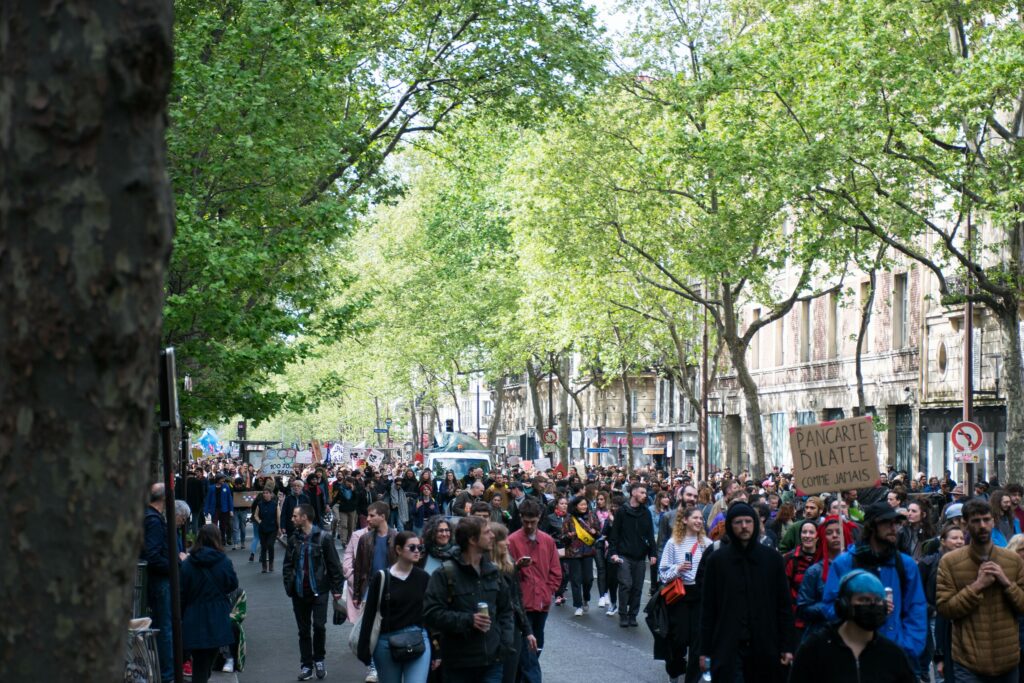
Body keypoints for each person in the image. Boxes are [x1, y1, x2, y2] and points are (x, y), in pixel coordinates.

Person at [820, 501, 928, 668]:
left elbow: (916, 608)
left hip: (895, 654)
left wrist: (908, 647)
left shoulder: (905, 565)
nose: (894, 528)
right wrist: (859, 608)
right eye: (887, 523)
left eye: (896, 523)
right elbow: (829, 607)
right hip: (854, 655)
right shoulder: (844, 563)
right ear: (871, 527)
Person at [699, 502, 795, 683]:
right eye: (738, 522)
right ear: (729, 525)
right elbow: (708, 609)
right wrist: (704, 651)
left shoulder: (772, 559)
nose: (744, 526)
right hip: (728, 646)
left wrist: (787, 646)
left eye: (748, 521)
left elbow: (783, 606)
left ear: (756, 524)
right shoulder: (717, 561)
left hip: (765, 645)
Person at [937, 498, 1024, 683]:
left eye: (986, 519)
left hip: (1007, 661)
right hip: (969, 663)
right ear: (965, 524)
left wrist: (1006, 582)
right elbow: (945, 608)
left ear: (993, 521)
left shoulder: (1012, 560)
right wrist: (977, 586)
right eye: (976, 521)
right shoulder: (950, 562)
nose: (982, 526)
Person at [422, 516, 514, 683]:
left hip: (492, 662)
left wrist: (504, 643)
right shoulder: (445, 574)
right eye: (487, 533)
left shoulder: (493, 572)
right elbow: (431, 613)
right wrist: (468, 620)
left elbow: (506, 610)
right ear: (472, 539)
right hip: (459, 664)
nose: (492, 536)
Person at [790, 569, 915, 683]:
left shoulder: (893, 655)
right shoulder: (814, 649)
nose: (872, 605)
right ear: (844, 604)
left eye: (878, 600)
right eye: (864, 600)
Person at [357, 531, 431, 683]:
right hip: (386, 642)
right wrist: (364, 649)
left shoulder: (423, 577)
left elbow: (430, 613)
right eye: (412, 547)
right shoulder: (382, 577)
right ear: (398, 549)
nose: (417, 551)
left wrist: (436, 650)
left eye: (420, 548)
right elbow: (370, 614)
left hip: (417, 637)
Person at [282, 503, 344, 681]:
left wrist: (337, 590)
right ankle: (306, 665)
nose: (292, 519)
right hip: (299, 592)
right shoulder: (294, 539)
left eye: (295, 516)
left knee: (319, 626)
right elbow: (287, 565)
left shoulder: (323, 538)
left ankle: (319, 660)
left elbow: (334, 565)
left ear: (305, 517)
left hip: (320, 590)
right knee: (303, 631)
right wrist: (289, 586)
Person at [508, 498, 562, 682]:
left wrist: (548, 592)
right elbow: (505, 573)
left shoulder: (547, 541)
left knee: (535, 649)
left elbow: (556, 571)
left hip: (542, 604)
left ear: (539, 518)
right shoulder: (512, 540)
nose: (529, 526)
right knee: (529, 654)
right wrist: (516, 566)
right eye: (525, 522)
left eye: (533, 522)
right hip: (521, 605)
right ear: (521, 518)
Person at [180, 524, 239, 683]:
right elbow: (233, 584)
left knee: (199, 661)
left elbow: (181, 592)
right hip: (217, 615)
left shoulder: (188, 564)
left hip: (194, 616)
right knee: (209, 659)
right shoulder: (223, 561)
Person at [657, 506, 710, 683]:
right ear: (685, 520)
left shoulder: (707, 544)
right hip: (679, 596)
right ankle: (675, 670)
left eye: (701, 518)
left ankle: (692, 678)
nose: (698, 521)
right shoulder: (673, 543)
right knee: (679, 639)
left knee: (697, 641)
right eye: (695, 518)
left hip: (700, 595)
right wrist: (678, 568)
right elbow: (662, 572)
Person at [141, 483, 181, 683]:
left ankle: (166, 673)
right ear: (165, 500)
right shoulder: (154, 521)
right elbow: (153, 556)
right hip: (161, 581)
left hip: (158, 580)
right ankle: (168, 675)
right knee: (165, 628)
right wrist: (176, 563)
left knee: (163, 627)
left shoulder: (150, 518)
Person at [491, 523, 539, 683]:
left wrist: (527, 630)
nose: (508, 542)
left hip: (512, 630)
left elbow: (517, 599)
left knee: (509, 676)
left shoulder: (509, 565)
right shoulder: (484, 569)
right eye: (503, 539)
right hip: (491, 632)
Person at [919, 523, 965, 683]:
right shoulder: (927, 563)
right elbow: (918, 593)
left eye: (961, 538)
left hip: (959, 614)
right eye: (954, 538)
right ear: (943, 541)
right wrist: (931, 610)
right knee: (941, 659)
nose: (959, 541)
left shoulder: (968, 563)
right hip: (935, 616)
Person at [797, 515, 854, 643]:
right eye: (829, 532)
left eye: (839, 532)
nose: (835, 535)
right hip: (822, 636)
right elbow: (803, 608)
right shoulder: (814, 572)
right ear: (823, 537)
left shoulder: (857, 567)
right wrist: (833, 607)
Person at [608, 483, 657, 627]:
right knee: (625, 585)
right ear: (633, 493)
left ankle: (633, 615)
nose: (645, 495)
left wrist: (652, 554)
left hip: (640, 556)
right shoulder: (622, 512)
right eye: (642, 492)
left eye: (645, 493)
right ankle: (623, 614)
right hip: (624, 555)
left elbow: (650, 534)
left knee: (637, 587)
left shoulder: (646, 512)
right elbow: (615, 534)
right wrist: (613, 553)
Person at [563, 496, 600, 617]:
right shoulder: (569, 518)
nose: (584, 507)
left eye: (585, 504)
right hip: (573, 552)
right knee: (575, 580)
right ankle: (578, 605)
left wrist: (595, 533)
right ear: (575, 506)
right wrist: (568, 536)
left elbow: (598, 531)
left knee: (588, 579)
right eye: (581, 505)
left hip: (588, 551)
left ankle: (586, 598)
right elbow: (562, 536)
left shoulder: (591, 516)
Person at [784, 519, 820, 642]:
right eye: (804, 532)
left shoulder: (824, 559)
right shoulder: (790, 559)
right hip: (795, 622)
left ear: (818, 536)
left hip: (819, 622)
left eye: (811, 532)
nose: (807, 536)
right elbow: (784, 591)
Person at [541, 495, 570, 606]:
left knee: (567, 573)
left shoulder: (570, 517)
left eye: (566, 504)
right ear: (557, 505)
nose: (564, 506)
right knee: (559, 572)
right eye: (562, 503)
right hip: (555, 549)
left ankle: (559, 593)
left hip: (568, 548)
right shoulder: (550, 517)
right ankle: (558, 594)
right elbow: (543, 533)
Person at [252, 486, 280, 573]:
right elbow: (255, 515)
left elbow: (278, 516)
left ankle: (271, 563)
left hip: (273, 528)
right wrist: (259, 521)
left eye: (267, 493)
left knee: (270, 545)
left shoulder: (275, 504)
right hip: (263, 528)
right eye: (264, 493)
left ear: (271, 494)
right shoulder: (260, 504)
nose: (265, 494)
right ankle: (264, 566)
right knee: (263, 547)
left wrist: (279, 528)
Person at [205, 474, 235, 547]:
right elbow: (208, 499)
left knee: (223, 526)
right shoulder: (211, 488)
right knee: (214, 526)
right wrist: (206, 510)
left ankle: (223, 541)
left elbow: (229, 499)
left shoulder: (226, 487)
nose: (223, 480)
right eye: (222, 479)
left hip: (224, 509)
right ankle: (214, 541)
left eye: (223, 479)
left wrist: (231, 510)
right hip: (214, 509)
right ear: (218, 479)